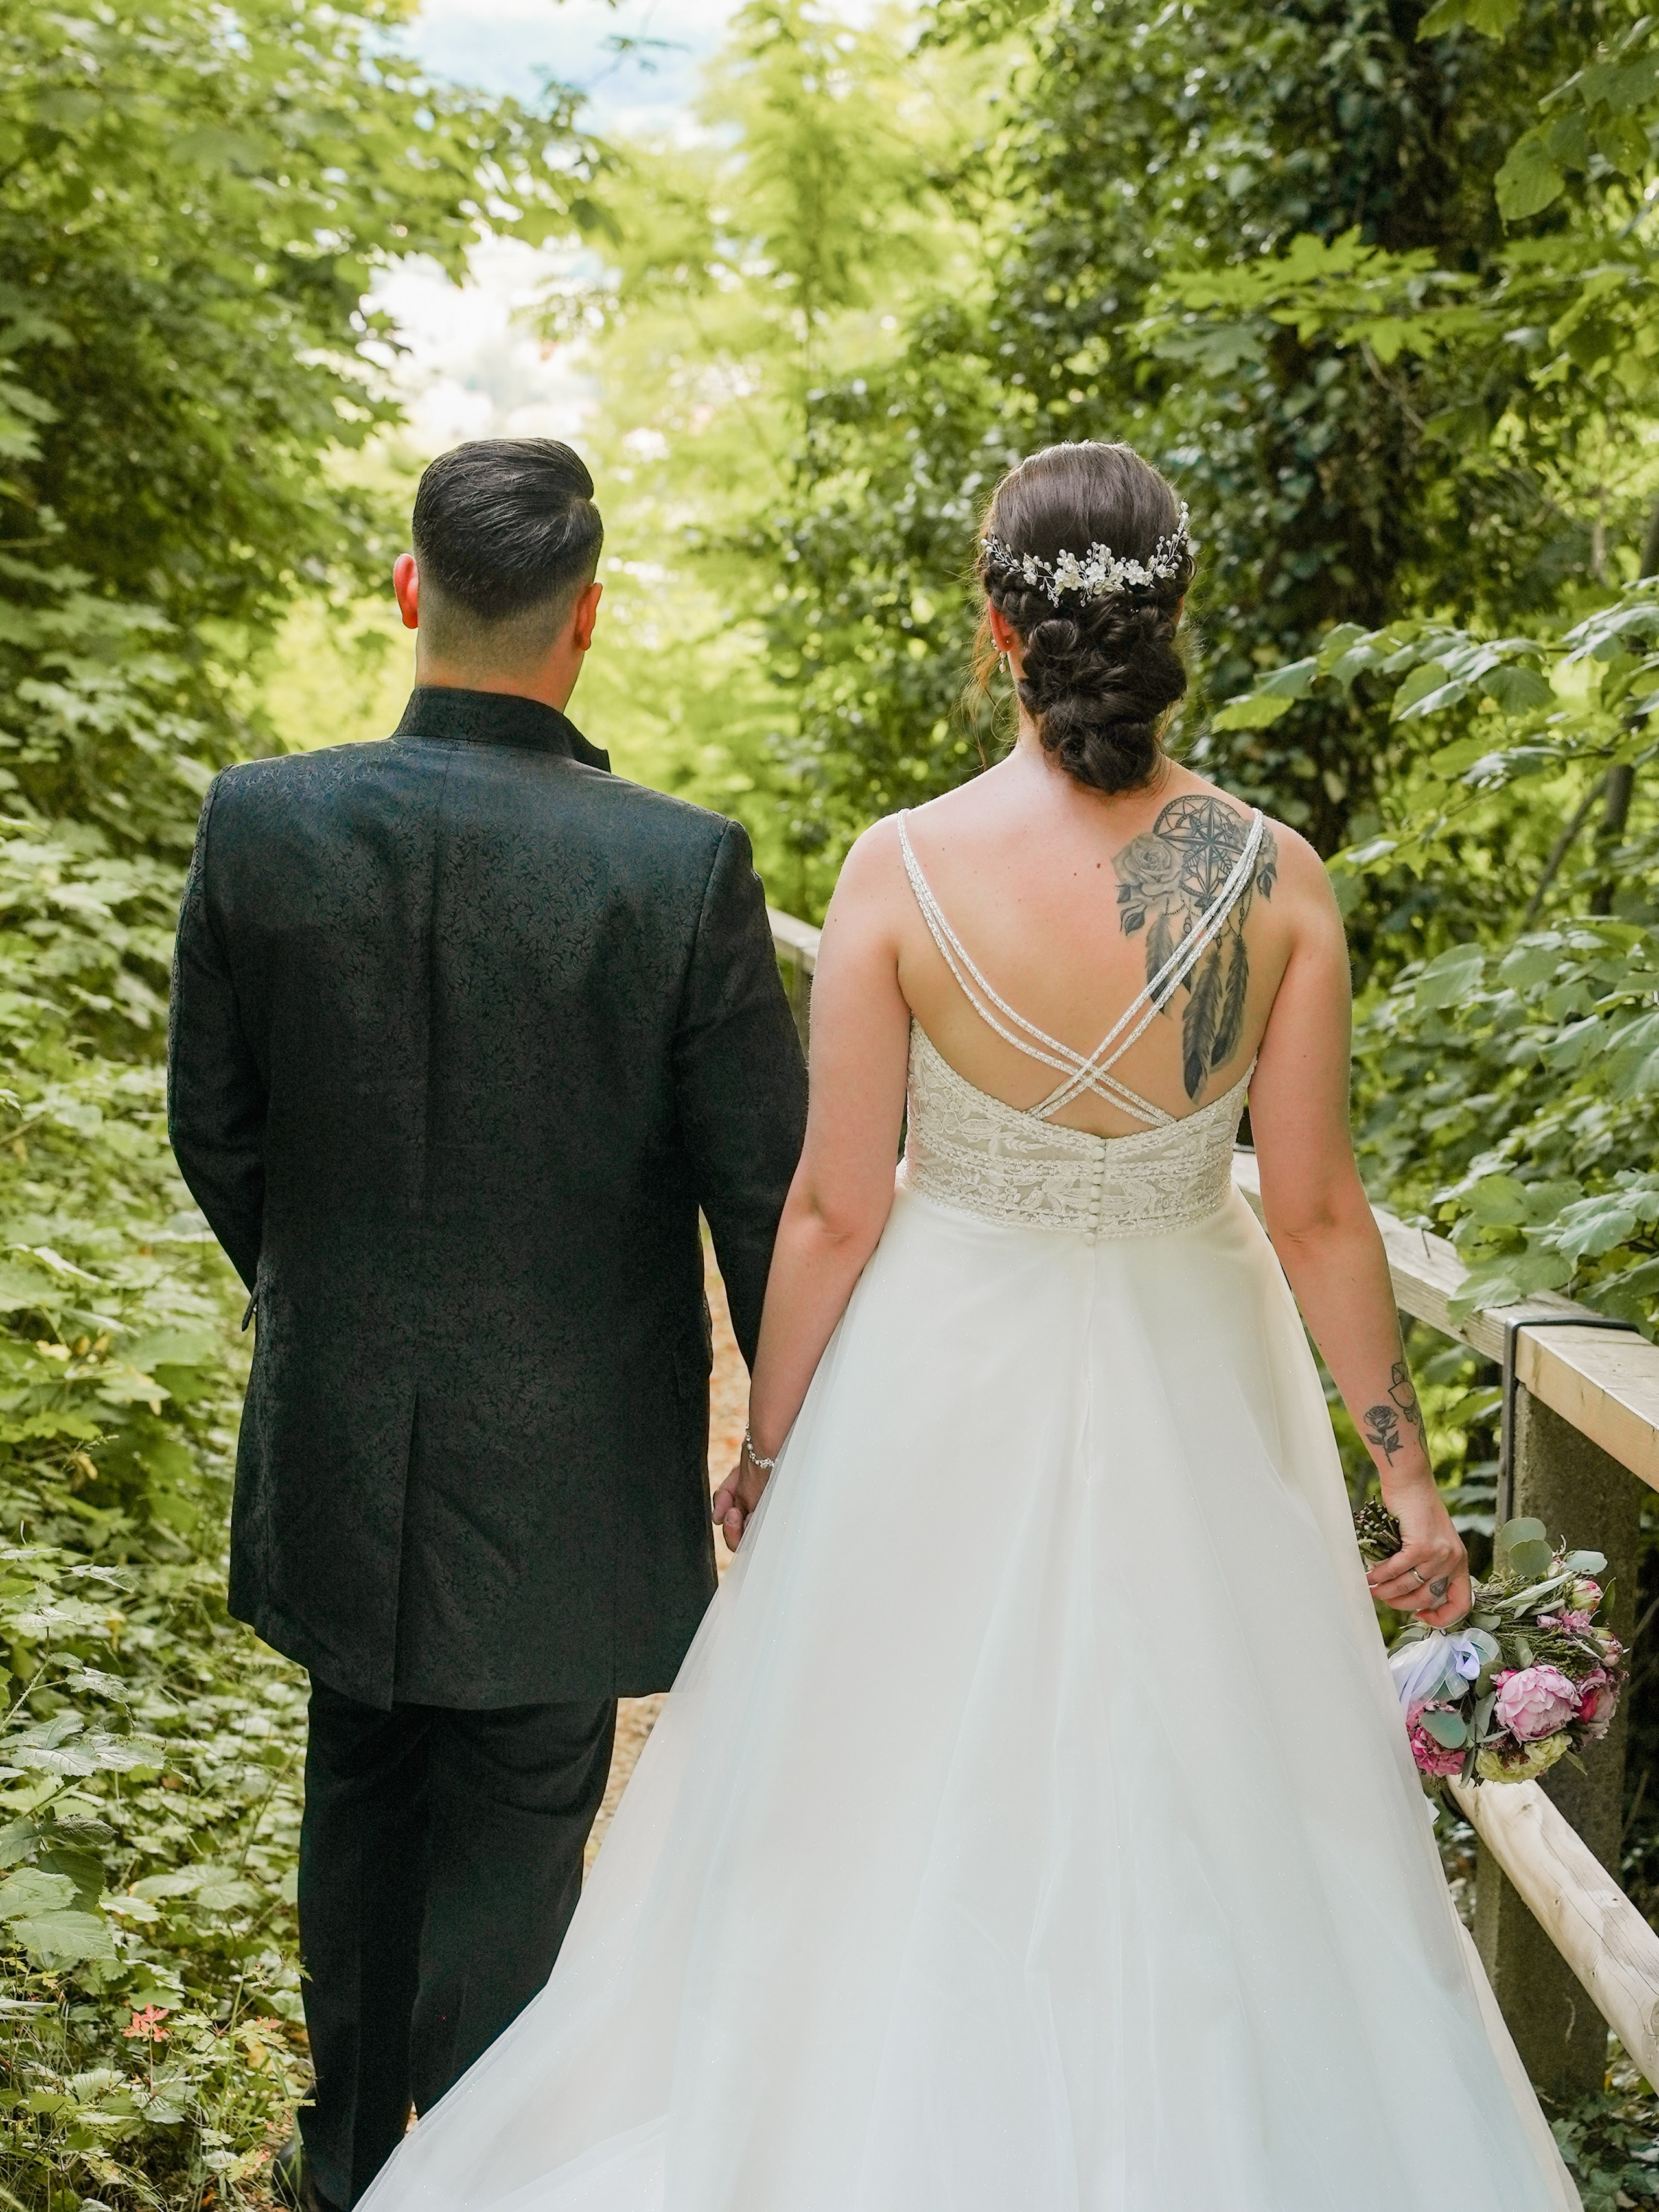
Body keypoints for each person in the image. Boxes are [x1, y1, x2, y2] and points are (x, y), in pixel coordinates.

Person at [358, 440, 1581, 2211]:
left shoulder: (903, 870)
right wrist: (1405, 1486)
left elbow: (837, 1208)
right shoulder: (1277, 879)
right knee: (1217, 1784)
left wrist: (770, 1450)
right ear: (1176, 620)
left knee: (890, 1777)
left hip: (946, 1366)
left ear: (995, 630)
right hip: (1195, 1367)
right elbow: (1314, 1211)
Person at [165, 438, 808, 2212]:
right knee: (521, 1833)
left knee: (359, 1786)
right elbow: (766, 1195)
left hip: (340, 1426)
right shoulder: (683, 871)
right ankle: (481, 2176)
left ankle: (343, 2154)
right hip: (578, 1465)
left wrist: (328, 1306)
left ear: (406, 595)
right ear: (586, 620)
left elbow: (213, 1128)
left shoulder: (259, 819)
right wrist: (793, 1437)